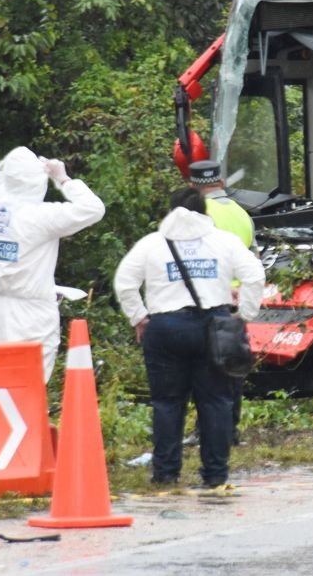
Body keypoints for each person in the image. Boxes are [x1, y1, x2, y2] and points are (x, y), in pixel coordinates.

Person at [114, 187, 264, 488]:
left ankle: (166, 474)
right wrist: (244, 314)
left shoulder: (152, 244)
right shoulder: (224, 241)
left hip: (165, 328)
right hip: (215, 327)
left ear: (171, 211)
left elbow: (125, 282)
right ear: (205, 212)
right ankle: (215, 475)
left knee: (167, 403)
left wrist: (139, 318)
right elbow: (255, 276)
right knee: (217, 402)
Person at [0, 147, 105, 382]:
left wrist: (2, 167)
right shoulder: (40, 216)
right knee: (29, 386)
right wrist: (63, 179)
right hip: (30, 314)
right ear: (38, 182)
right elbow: (94, 209)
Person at [189, 159, 256, 445]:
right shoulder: (243, 215)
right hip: (236, 304)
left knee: (204, 371)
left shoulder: (198, 212)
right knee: (232, 369)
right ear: (222, 182)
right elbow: (255, 260)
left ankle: (205, 431)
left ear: (192, 186)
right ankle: (231, 431)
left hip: (207, 300)